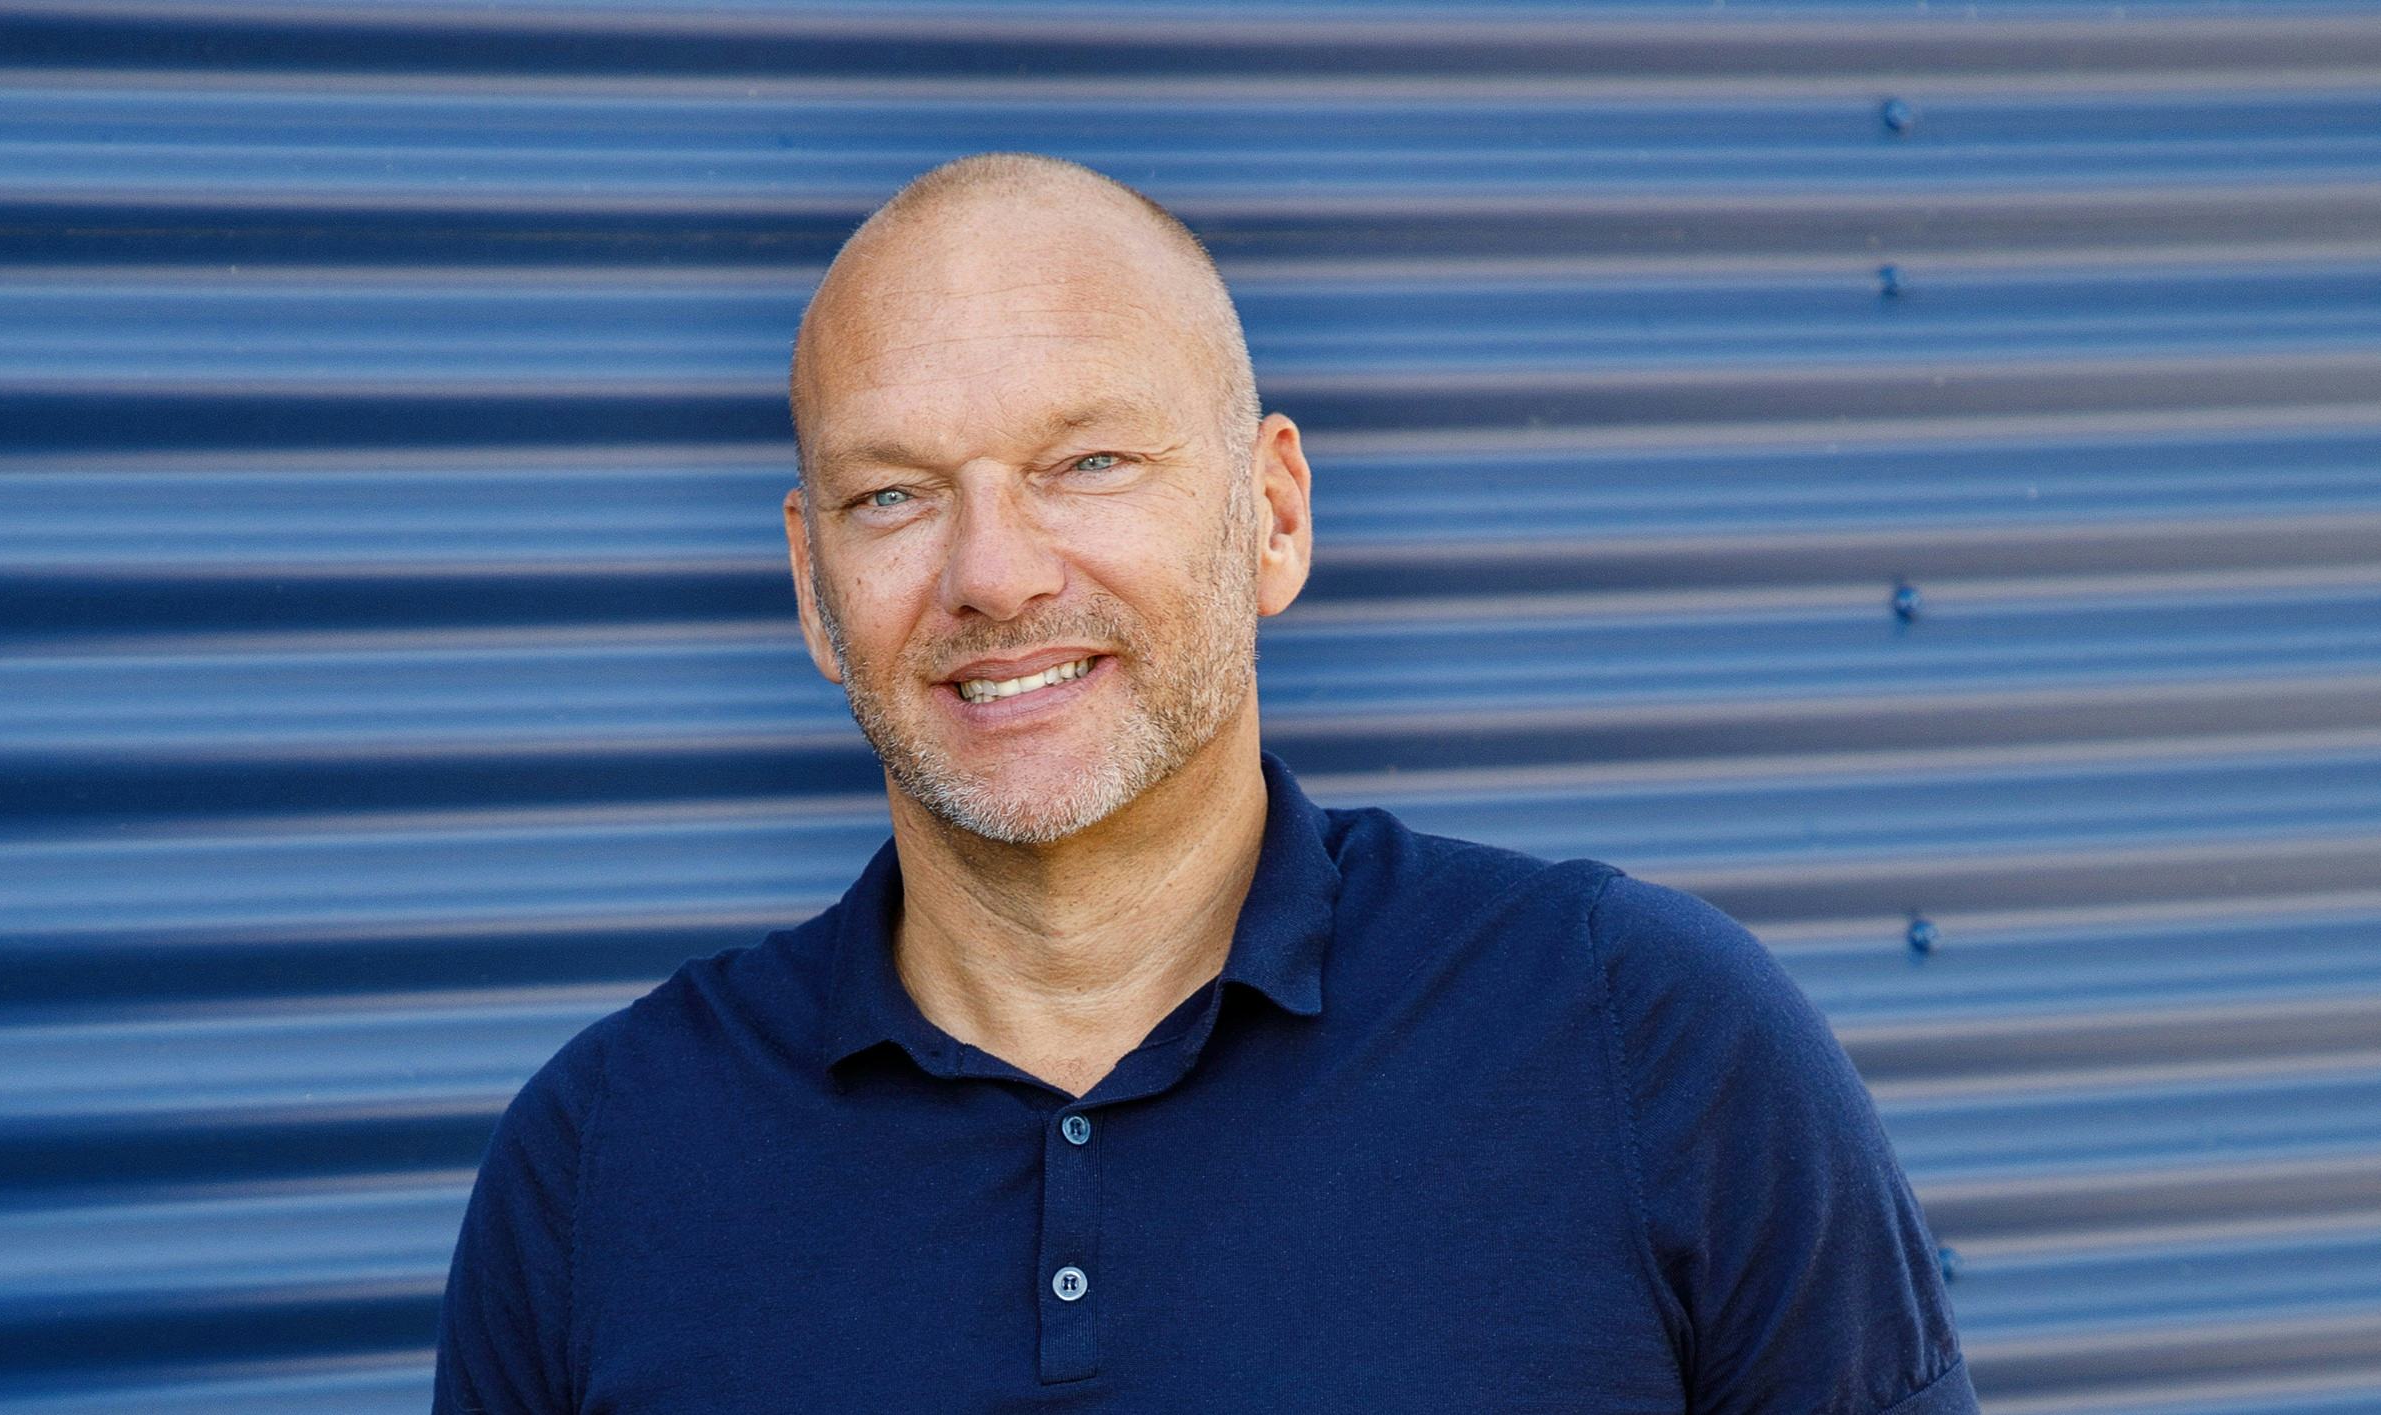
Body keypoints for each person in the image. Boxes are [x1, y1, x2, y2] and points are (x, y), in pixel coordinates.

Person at [433, 150, 1979, 1413]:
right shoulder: (604, 1161)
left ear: (1274, 516)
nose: (994, 573)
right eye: (893, 494)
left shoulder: (1646, 1042)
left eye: (1088, 462)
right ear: (813, 589)